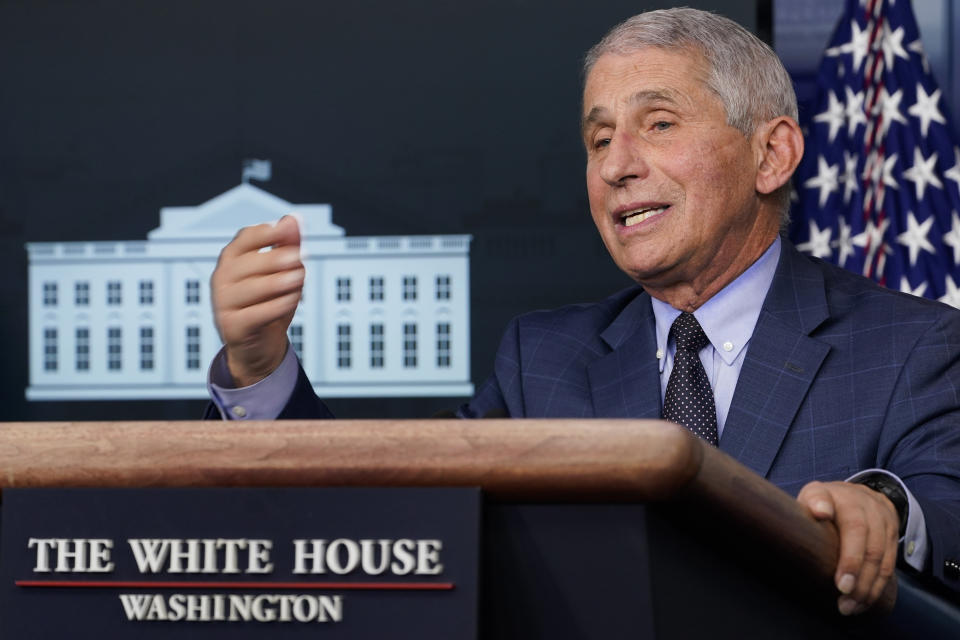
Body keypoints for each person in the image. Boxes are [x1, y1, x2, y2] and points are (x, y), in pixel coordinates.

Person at [206, 8, 960, 615]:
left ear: (771, 155)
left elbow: (945, 505)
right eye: (599, 138)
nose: (614, 165)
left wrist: (887, 513)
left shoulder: (913, 345)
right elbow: (389, 522)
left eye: (658, 124)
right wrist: (260, 369)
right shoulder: (543, 361)